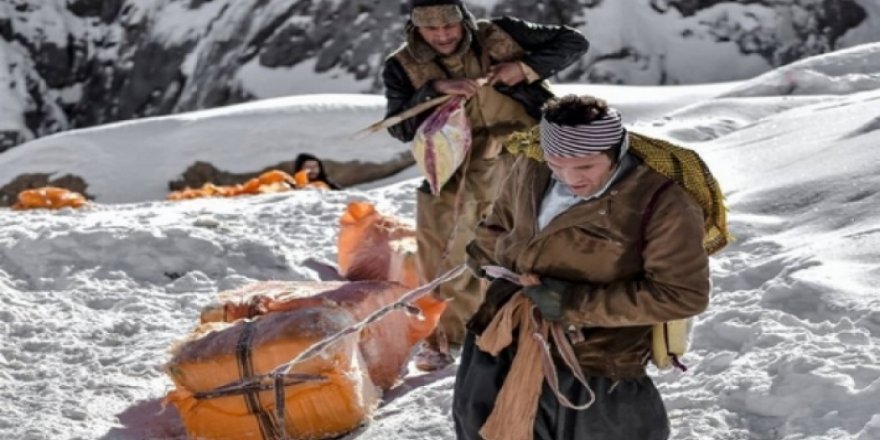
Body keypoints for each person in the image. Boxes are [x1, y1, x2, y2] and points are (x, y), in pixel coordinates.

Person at [456, 95, 712, 439]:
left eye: (585, 166)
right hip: (500, 339)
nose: (568, 177)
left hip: (592, 363)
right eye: (556, 163)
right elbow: (501, 222)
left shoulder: (662, 203)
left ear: (616, 151)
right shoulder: (531, 167)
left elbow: (682, 295)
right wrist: (486, 253)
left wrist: (571, 303)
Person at [382, 0, 589, 368]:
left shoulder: (501, 33)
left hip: (522, 150)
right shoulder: (401, 65)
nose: (443, 36)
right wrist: (435, 90)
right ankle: (450, 337)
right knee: (442, 244)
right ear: (416, 28)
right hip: (454, 163)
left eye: (451, 26)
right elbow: (399, 126)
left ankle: (540, 321)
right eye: (432, 30)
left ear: (464, 19)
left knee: (528, 237)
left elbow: (573, 42)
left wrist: (523, 68)